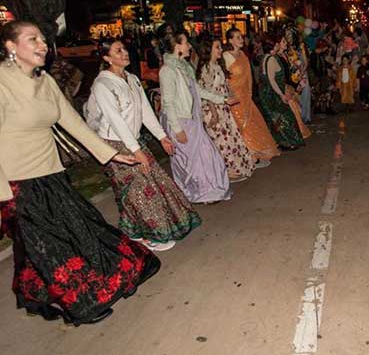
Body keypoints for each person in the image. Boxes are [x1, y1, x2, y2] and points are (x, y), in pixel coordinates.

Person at [0, 21, 160, 325]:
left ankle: (34, 292)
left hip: (51, 174)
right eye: (32, 39)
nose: (43, 44)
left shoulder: (44, 81)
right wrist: (2, 193)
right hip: (17, 182)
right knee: (50, 246)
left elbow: (73, 122)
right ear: (11, 46)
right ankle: (82, 303)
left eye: (44, 39)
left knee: (82, 230)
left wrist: (111, 153)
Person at [85, 40, 201, 252]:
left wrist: (161, 136)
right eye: (118, 51)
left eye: (125, 49)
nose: (125, 53)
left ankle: (133, 230)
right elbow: (116, 121)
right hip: (116, 144)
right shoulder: (103, 85)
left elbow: (145, 111)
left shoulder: (132, 79)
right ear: (106, 58)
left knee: (157, 184)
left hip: (133, 140)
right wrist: (136, 151)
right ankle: (146, 234)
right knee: (141, 191)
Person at [159, 31, 231, 203]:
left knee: (206, 156)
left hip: (192, 119)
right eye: (185, 43)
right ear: (177, 46)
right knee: (192, 162)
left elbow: (197, 91)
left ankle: (208, 192)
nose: (190, 46)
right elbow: (168, 103)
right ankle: (200, 193)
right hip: (180, 121)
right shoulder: (167, 71)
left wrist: (224, 99)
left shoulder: (184, 67)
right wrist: (177, 130)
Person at [196, 38, 256, 182]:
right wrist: (214, 114)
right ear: (208, 50)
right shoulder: (206, 69)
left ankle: (234, 167)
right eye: (217, 47)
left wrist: (232, 95)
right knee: (221, 141)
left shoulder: (216, 66)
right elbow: (206, 92)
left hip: (223, 108)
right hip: (213, 110)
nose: (220, 50)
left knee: (230, 138)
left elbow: (224, 86)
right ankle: (226, 170)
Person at [223, 28, 280, 163]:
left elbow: (249, 77)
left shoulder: (242, 54)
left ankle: (255, 152)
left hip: (245, 95)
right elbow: (224, 79)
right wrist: (230, 95)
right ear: (230, 40)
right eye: (237, 37)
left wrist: (249, 93)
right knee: (241, 127)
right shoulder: (226, 56)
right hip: (234, 97)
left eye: (241, 37)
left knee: (252, 124)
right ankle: (247, 155)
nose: (241, 40)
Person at [259, 36, 306, 150]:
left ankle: (287, 142)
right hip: (271, 94)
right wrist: (281, 94)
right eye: (277, 44)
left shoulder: (272, 57)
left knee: (282, 118)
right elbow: (271, 80)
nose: (279, 45)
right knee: (283, 118)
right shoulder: (270, 59)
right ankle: (287, 142)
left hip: (273, 92)